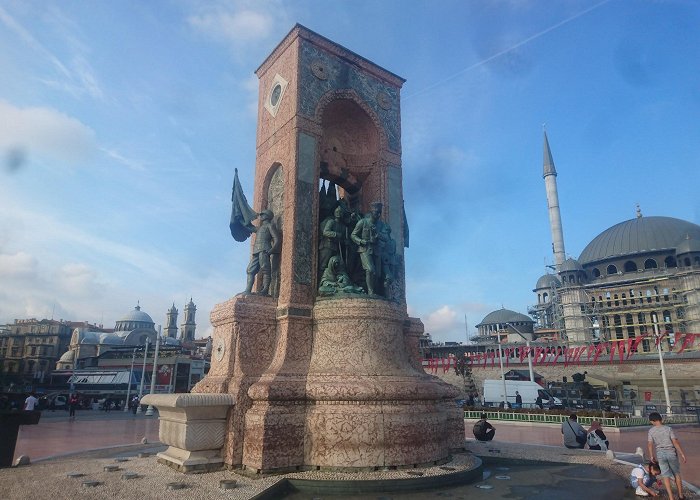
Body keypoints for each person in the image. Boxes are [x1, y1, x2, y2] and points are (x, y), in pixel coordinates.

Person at [647, 412, 687, 500]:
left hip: (660, 454)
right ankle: (680, 496)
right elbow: (675, 442)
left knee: (665, 476)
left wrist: (651, 456)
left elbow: (650, 444)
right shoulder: (668, 429)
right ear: (660, 419)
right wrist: (682, 454)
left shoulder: (651, 431)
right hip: (671, 453)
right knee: (676, 474)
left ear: (653, 421)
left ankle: (671, 498)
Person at [351, 201, 388, 296]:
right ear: (372, 212)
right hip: (365, 249)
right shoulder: (362, 222)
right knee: (370, 270)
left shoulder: (381, 225)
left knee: (378, 274)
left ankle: (374, 291)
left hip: (376, 250)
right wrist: (360, 241)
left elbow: (386, 238)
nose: (378, 214)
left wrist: (378, 234)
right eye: (376, 212)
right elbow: (353, 235)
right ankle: (370, 292)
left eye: (379, 212)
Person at [244, 209, 281, 295]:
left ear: (267, 216)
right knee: (250, 270)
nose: (260, 216)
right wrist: (241, 218)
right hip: (257, 251)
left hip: (264, 250)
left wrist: (271, 251)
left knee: (265, 269)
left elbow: (277, 239)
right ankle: (248, 290)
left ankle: (265, 290)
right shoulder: (259, 228)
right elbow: (248, 226)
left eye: (262, 214)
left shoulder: (270, 226)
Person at [318, 206, 348, 281]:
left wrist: (345, 241)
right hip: (327, 246)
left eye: (340, 212)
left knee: (336, 265)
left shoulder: (343, 227)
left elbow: (342, 239)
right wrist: (335, 234)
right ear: (334, 212)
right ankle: (321, 280)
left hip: (336, 247)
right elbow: (325, 232)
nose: (338, 213)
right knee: (323, 265)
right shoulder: (331, 222)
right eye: (337, 211)